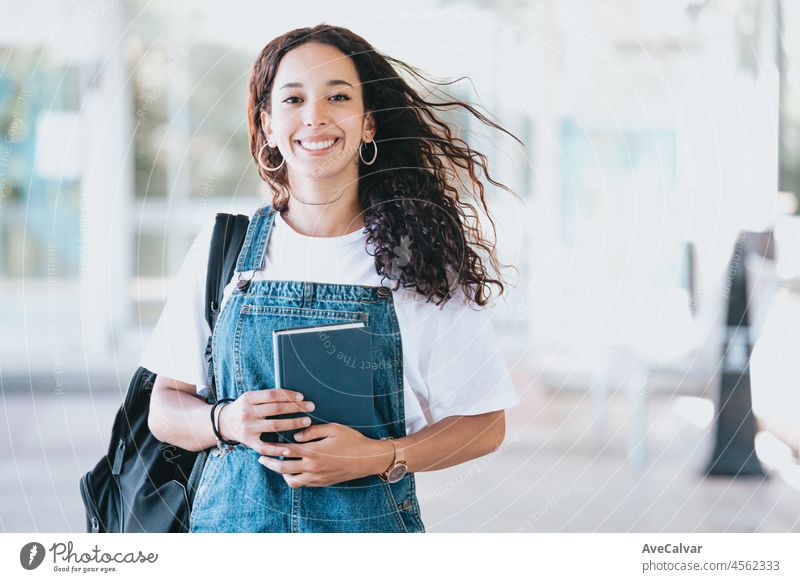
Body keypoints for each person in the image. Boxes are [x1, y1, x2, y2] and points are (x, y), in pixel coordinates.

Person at [143, 23, 522, 533]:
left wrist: (380, 457)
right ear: (270, 125)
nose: (315, 116)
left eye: (337, 96)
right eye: (293, 99)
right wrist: (226, 421)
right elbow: (164, 408)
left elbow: (485, 424)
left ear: (368, 123)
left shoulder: (422, 261)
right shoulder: (222, 249)